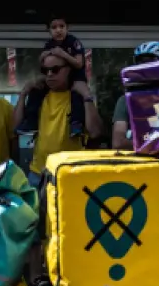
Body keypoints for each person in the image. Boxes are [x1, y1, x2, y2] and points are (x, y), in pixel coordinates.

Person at [13, 53, 104, 186]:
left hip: (70, 173)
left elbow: (95, 132)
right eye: (45, 71)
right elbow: (15, 126)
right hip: (39, 173)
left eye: (55, 70)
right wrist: (23, 94)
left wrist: (87, 96)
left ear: (68, 70)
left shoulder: (78, 99)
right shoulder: (39, 97)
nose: (49, 74)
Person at [16, 15, 94, 136]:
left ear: (68, 28)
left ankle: (76, 124)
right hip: (57, 79)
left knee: (77, 95)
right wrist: (43, 56)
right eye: (54, 27)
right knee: (36, 89)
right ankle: (31, 122)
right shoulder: (49, 44)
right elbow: (42, 64)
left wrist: (63, 54)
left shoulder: (73, 42)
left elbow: (79, 64)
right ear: (49, 30)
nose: (58, 30)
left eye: (61, 26)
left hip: (75, 77)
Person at [112, 41, 159, 149]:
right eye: (140, 64)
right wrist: (158, 145)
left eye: (150, 63)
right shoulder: (127, 100)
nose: (143, 69)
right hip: (142, 163)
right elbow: (118, 142)